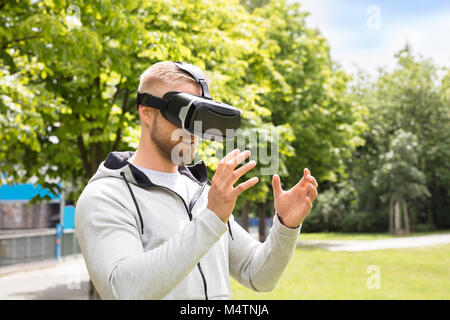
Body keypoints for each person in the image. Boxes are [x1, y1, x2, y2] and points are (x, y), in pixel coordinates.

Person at [75, 61, 318, 300]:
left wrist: (286, 226)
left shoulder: (202, 193)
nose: (194, 129)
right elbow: (123, 291)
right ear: (147, 112)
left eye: (202, 116)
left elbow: (258, 275)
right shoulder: (106, 195)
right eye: (185, 114)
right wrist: (211, 217)